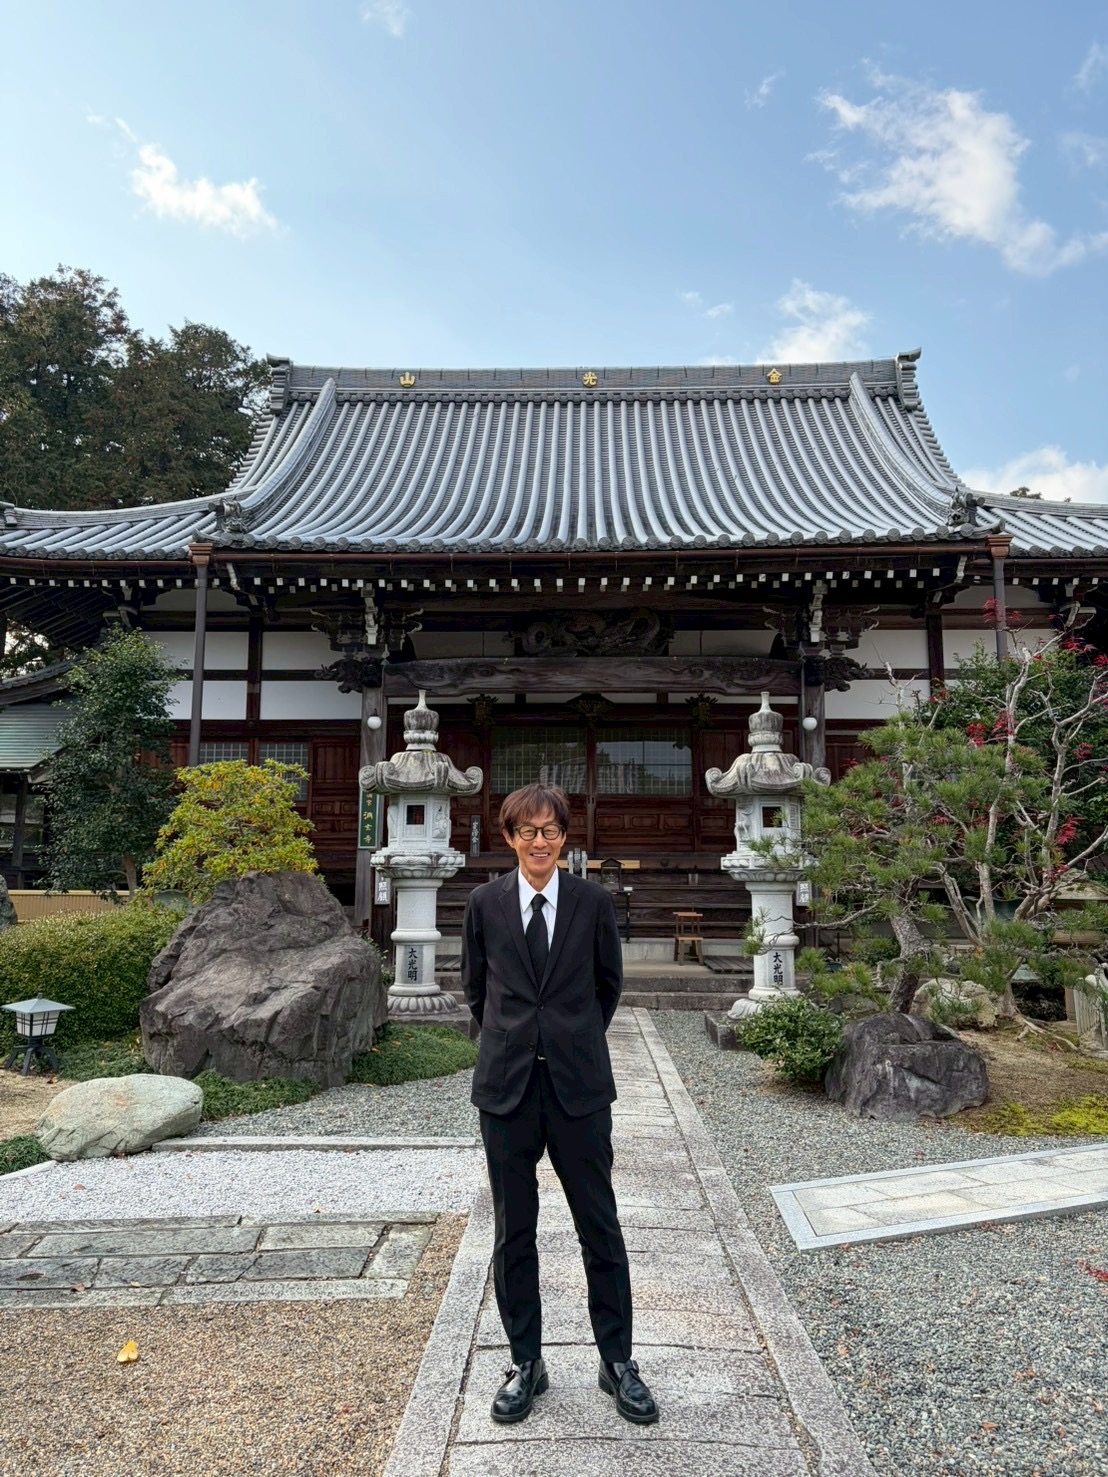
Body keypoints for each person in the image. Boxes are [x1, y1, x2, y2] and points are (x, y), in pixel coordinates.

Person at [461, 782, 659, 1427]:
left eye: (550, 831)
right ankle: (526, 1362)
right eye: (527, 831)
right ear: (509, 838)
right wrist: (516, 1038)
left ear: (565, 838)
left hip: (579, 1087)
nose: (539, 841)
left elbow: (608, 986)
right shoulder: (484, 903)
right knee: (513, 1230)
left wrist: (569, 1039)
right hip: (507, 1088)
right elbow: (475, 988)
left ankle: (617, 1360)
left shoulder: (591, 902)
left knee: (599, 1224)